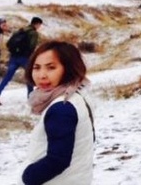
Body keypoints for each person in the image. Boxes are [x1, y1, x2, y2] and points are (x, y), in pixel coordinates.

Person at [22, 40, 94, 185]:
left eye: (51, 68)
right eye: (36, 68)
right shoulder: (75, 95)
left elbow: (57, 160)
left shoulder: (62, 108)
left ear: (68, 68)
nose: (42, 75)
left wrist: (27, 177)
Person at [0, 16, 43, 105]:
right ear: (37, 24)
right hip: (25, 58)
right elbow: (32, 47)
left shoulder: (21, 30)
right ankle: (30, 98)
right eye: (39, 25)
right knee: (29, 77)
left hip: (14, 57)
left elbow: (9, 43)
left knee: (6, 78)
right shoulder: (33, 33)